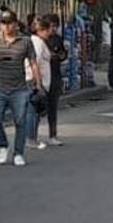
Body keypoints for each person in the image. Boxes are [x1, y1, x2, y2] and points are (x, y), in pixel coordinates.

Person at [0, 10, 43, 167]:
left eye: (9, 23)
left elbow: (33, 62)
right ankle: (3, 145)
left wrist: (38, 83)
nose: (6, 26)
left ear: (16, 24)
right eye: (3, 23)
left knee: (20, 121)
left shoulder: (25, 41)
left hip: (18, 88)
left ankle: (18, 153)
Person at [24, 17, 53, 151]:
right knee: (33, 111)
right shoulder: (37, 43)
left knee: (35, 110)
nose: (50, 34)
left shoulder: (38, 42)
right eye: (48, 31)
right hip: (35, 81)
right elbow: (35, 63)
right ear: (42, 30)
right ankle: (31, 138)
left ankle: (32, 137)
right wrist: (38, 83)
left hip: (36, 81)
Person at [44, 13, 66, 145]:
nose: (53, 29)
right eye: (51, 26)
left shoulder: (58, 39)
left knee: (53, 107)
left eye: (55, 26)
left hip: (55, 74)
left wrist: (61, 55)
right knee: (38, 107)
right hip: (42, 75)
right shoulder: (39, 39)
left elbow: (63, 54)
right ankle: (31, 136)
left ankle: (53, 134)